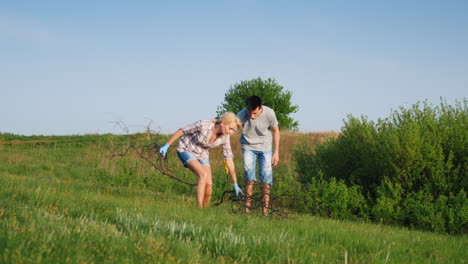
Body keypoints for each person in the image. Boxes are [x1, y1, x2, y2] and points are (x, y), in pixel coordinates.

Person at [159, 112, 244, 208]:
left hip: (202, 154)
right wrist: (167, 145)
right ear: (223, 122)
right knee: (202, 174)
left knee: (209, 184)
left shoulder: (225, 137)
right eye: (230, 128)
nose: (231, 132)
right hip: (186, 148)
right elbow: (182, 130)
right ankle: (199, 208)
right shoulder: (205, 125)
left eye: (234, 130)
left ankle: (205, 210)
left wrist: (235, 183)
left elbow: (229, 159)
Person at [237, 95, 280, 216]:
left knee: (266, 179)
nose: (252, 116)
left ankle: (265, 211)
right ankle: (246, 209)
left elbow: (276, 130)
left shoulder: (270, 113)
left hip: (265, 148)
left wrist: (276, 152)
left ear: (260, 108)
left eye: (254, 113)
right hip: (248, 147)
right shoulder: (242, 114)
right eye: (250, 112)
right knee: (249, 177)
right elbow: (231, 126)